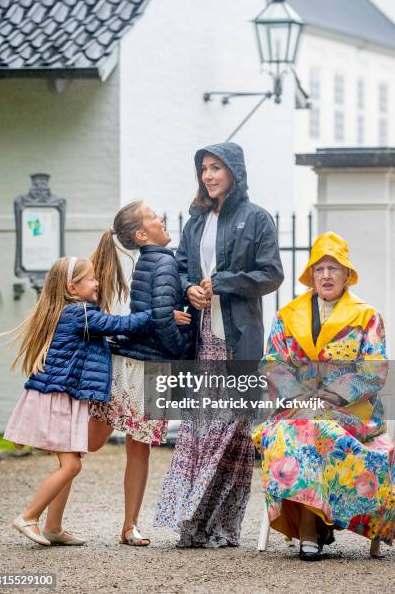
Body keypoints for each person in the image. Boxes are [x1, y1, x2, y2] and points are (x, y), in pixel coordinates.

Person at [154, 142, 284, 547]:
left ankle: (222, 527)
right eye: (204, 169)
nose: (209, 176)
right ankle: (192, 524)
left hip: (238, 338)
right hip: (202, 336)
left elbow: (272, 274)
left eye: (216, 168)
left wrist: (224, 282)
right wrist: (189, 288)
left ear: (235, 171)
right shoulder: (195, 221)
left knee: (233, 433)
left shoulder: (257, 218)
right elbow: (178, 269)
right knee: (199, 431)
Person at [252, 232, 394, 560]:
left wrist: (329, 396)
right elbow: (272, 363)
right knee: (299, 428)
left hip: (352, 413)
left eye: (334, 267)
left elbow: (373, 371)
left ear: (347, 274)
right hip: (298, 408)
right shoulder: (288, 315)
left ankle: (313, 527)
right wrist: (300, 397)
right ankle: (308, 528)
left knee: (314, 429)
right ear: (311, 275)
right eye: (320, 269)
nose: (326, 275)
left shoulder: (366, 317)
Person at [3, 256, 151, 546]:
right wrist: (159, 314)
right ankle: (29, 516)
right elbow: (121, 322)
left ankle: (54, 527)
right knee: (71, 465)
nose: (97, 284)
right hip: (57, 399)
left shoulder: (72, 313)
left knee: (72, 461)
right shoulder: (80, 313)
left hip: (60, 397)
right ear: (72, 287)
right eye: (91, 279)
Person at [88, 200, 192, 546]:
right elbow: (163, 317)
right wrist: (180, 349)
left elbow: (157, 312)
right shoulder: (163, 261)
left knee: (91, 442)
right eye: (153, 217)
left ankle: (124, 524)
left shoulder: (153, 260)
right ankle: (129, 526)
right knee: (133, 449)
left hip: (132, 364)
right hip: (145, 367)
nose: (161, 217)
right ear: (141, 233)